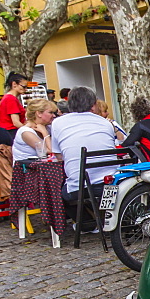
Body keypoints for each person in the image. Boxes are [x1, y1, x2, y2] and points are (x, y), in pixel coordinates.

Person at [50, 86, 118, 222]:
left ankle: (86, 223)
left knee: (56, 191)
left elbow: (59, 157)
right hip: (112, 185)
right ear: (93, 106)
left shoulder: (57, 123)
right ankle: (102, 218)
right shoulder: (106, 123)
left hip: (79, 188)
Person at [0, 73, 27, 137]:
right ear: (14, 84)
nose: (26, 89)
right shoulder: (11, 99)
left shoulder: (7, 97)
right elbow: (16, 122)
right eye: (24, 87)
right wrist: (28, 130)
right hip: (12, 132)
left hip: (7, 132)